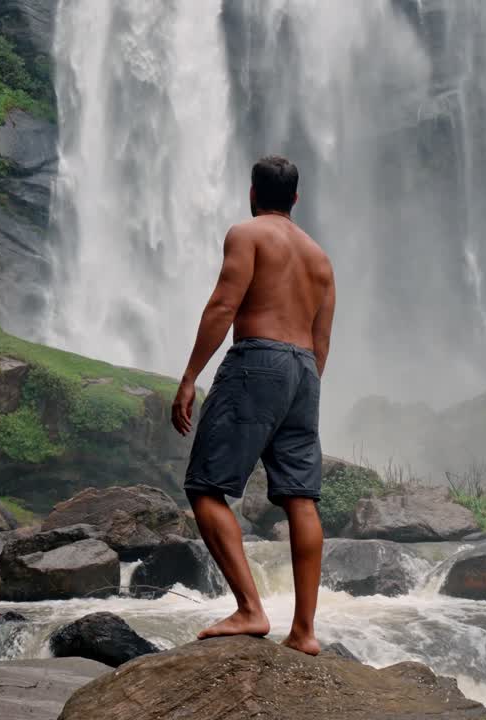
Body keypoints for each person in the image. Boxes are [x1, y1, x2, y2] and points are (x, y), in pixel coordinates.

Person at [171, 155, 335, 656]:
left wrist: (190, 376)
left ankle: (249, 609)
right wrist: (297, 393)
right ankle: (305, 632)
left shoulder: (247, 234)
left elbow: (224, 305)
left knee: (204, 487)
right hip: (305, 372)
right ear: (296, 199)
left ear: (251, 192)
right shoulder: (320, 259)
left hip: (257, 360)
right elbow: (321, 341)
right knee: (301, 498)